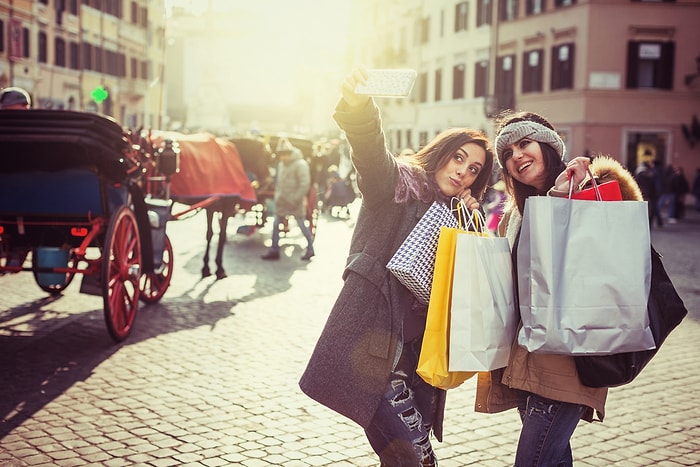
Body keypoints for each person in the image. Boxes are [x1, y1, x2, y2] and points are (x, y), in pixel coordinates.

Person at [299, 67, 494, 466]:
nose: (463, 171)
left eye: (474, 169)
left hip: (414, 359)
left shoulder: (458, 216)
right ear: (442, 154)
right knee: (417, 459)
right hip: (371, 350)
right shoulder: (396, 186)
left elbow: (466, 287)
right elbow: (370, 151)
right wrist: (360, 108)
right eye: (459, 158)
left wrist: (472, 228)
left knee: (405, 459)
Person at [475, 110, 647, 466]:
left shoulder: (590, 188)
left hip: (575, 354)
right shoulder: (515, 214)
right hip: (526, 355)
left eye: (525, 144)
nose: (516, 156)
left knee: (533, 460)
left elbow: (622, 249)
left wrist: (573, 191)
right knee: (552, 459)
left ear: (549, 145)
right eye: (507, 154)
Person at [261, 138, 315, 261]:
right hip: (282, 200)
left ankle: (311, 248)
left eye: (286, 154)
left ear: (290, 153)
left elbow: (304, 184)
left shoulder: (300, 164)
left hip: (294, 201)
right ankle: (274, 250)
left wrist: (295, 198)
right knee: (276, 225)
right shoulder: (281, 165)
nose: (283, 157)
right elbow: (279, 182)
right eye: (281, 154)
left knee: (301, 224)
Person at [634, 160, 663, 228]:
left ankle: (650, 223)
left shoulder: (641, 174)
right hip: (650, 194)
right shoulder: (649, 174)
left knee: (649, 209)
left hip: (646, 194)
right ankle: (653, 223)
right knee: (652, 209)